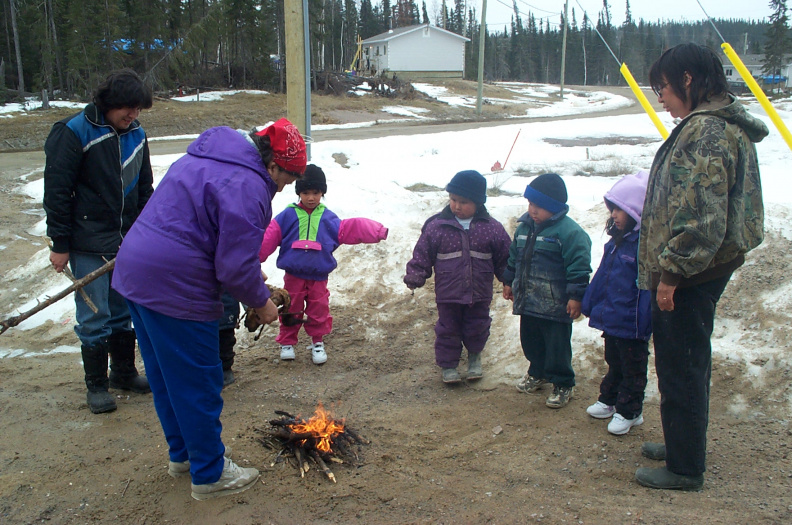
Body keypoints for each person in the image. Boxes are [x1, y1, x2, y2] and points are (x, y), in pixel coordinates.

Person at [111, 118, 307, 500]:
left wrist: (249, 276)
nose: (284, 187)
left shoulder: (208, 156)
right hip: (176, 284)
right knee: (199, 382)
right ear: (271, 165)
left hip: (136, 272)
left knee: (168, 377)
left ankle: (187, 455)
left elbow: (214, 236)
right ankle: (210, 473)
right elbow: (232, 266)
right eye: (287, 177)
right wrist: (261, 302)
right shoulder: (249, 186)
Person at [634, 43, 767, 491]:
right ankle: (681, 443)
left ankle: (685, 467)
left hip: (692, 273)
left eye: (664, 88)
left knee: (682, 365)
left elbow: (702, 217)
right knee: (685, 362)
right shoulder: (717, 125)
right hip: (703, 268)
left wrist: (672, 274)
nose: (661, 99)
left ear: (688, 80)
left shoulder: (708, 132)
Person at [43, 68, 153, 414]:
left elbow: (145, 189)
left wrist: (147, 232)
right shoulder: (73, 132)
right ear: (110, 103)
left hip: (127, 241)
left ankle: (123, 372)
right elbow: (57, 192)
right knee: (95, 315)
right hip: (88, 241)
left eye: (137, 109)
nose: (133, 115)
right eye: (128, 108)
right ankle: (96, 385)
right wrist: (60, 243)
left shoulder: (137, 134)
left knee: (123, 310)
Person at [259, 164, 388, 364]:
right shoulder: (287, 216)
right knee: (291, 307)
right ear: (298, 192)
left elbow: (351, 228)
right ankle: (287, 341)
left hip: (319, 277)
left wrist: (377, 231)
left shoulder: (328, 218)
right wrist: (253, 258)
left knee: (319, 309)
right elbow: (269, 236)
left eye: (316, 192)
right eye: (305, 192)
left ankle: (317, 341)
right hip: (293, 275)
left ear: (322, 193)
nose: (311, 197)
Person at [404, 170, 511, 383]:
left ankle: (474, 359)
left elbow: (505, 258)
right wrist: (416, 273)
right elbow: (423, 253)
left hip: (479, 292)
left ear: (478, 203)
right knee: (448, 329)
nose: (457, 206)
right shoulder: (437, 226)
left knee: (477, 326)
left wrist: (509, 280)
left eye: (464, 202)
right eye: (453, 200)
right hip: (448, 293)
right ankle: (448, 365)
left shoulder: (492, 228)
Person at [502, 173, 591, 408]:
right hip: (529, 300)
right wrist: (509, 281)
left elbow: (579, 267)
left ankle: (563, 382)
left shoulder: (569, 233)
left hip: (555, 303)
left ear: (555, 208)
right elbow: (514, 257)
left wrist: (575, 297)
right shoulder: (523, 228)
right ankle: (537, 371)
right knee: (531, 341)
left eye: (539, 206)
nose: (533, 210)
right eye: (531, 204)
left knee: (557, 346)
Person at [582, 170, 652, 435]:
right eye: (612, 210)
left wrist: (645, 320)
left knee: (633, 368)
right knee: (614, 361)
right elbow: (602, 277)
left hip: (632, 323)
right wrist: (590, 302)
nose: (613, 215)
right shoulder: (615, 243)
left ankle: (631, 411)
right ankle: (610, 400)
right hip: (612, 318)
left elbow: (647, 289)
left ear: (636, 213)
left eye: (619, 210)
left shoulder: (643, 247)